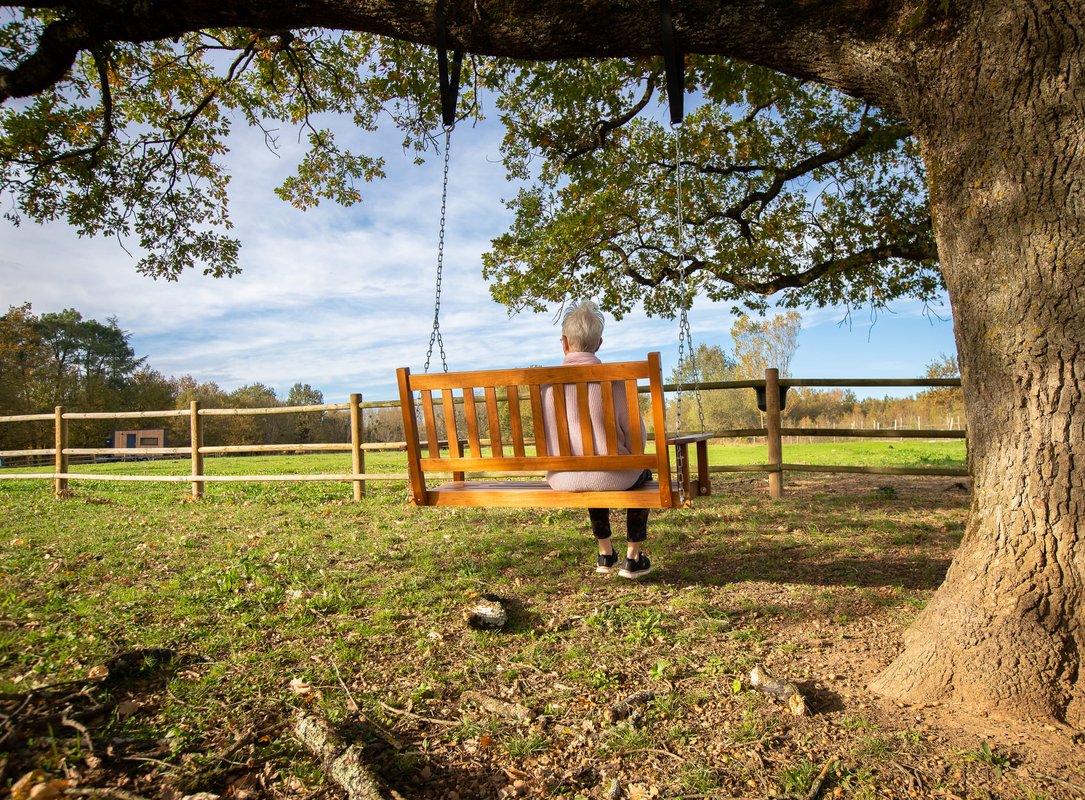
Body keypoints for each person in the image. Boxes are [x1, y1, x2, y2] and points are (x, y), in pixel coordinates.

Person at [541, 300, 653, 579]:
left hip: (562, 478)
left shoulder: (546, 385)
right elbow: (637, 436)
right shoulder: (616, 381)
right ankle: (632, 558)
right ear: (599, 343)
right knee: (639, 472)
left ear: (564, 343)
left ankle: (605, 553)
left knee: (590, 464)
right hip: (616, 476)